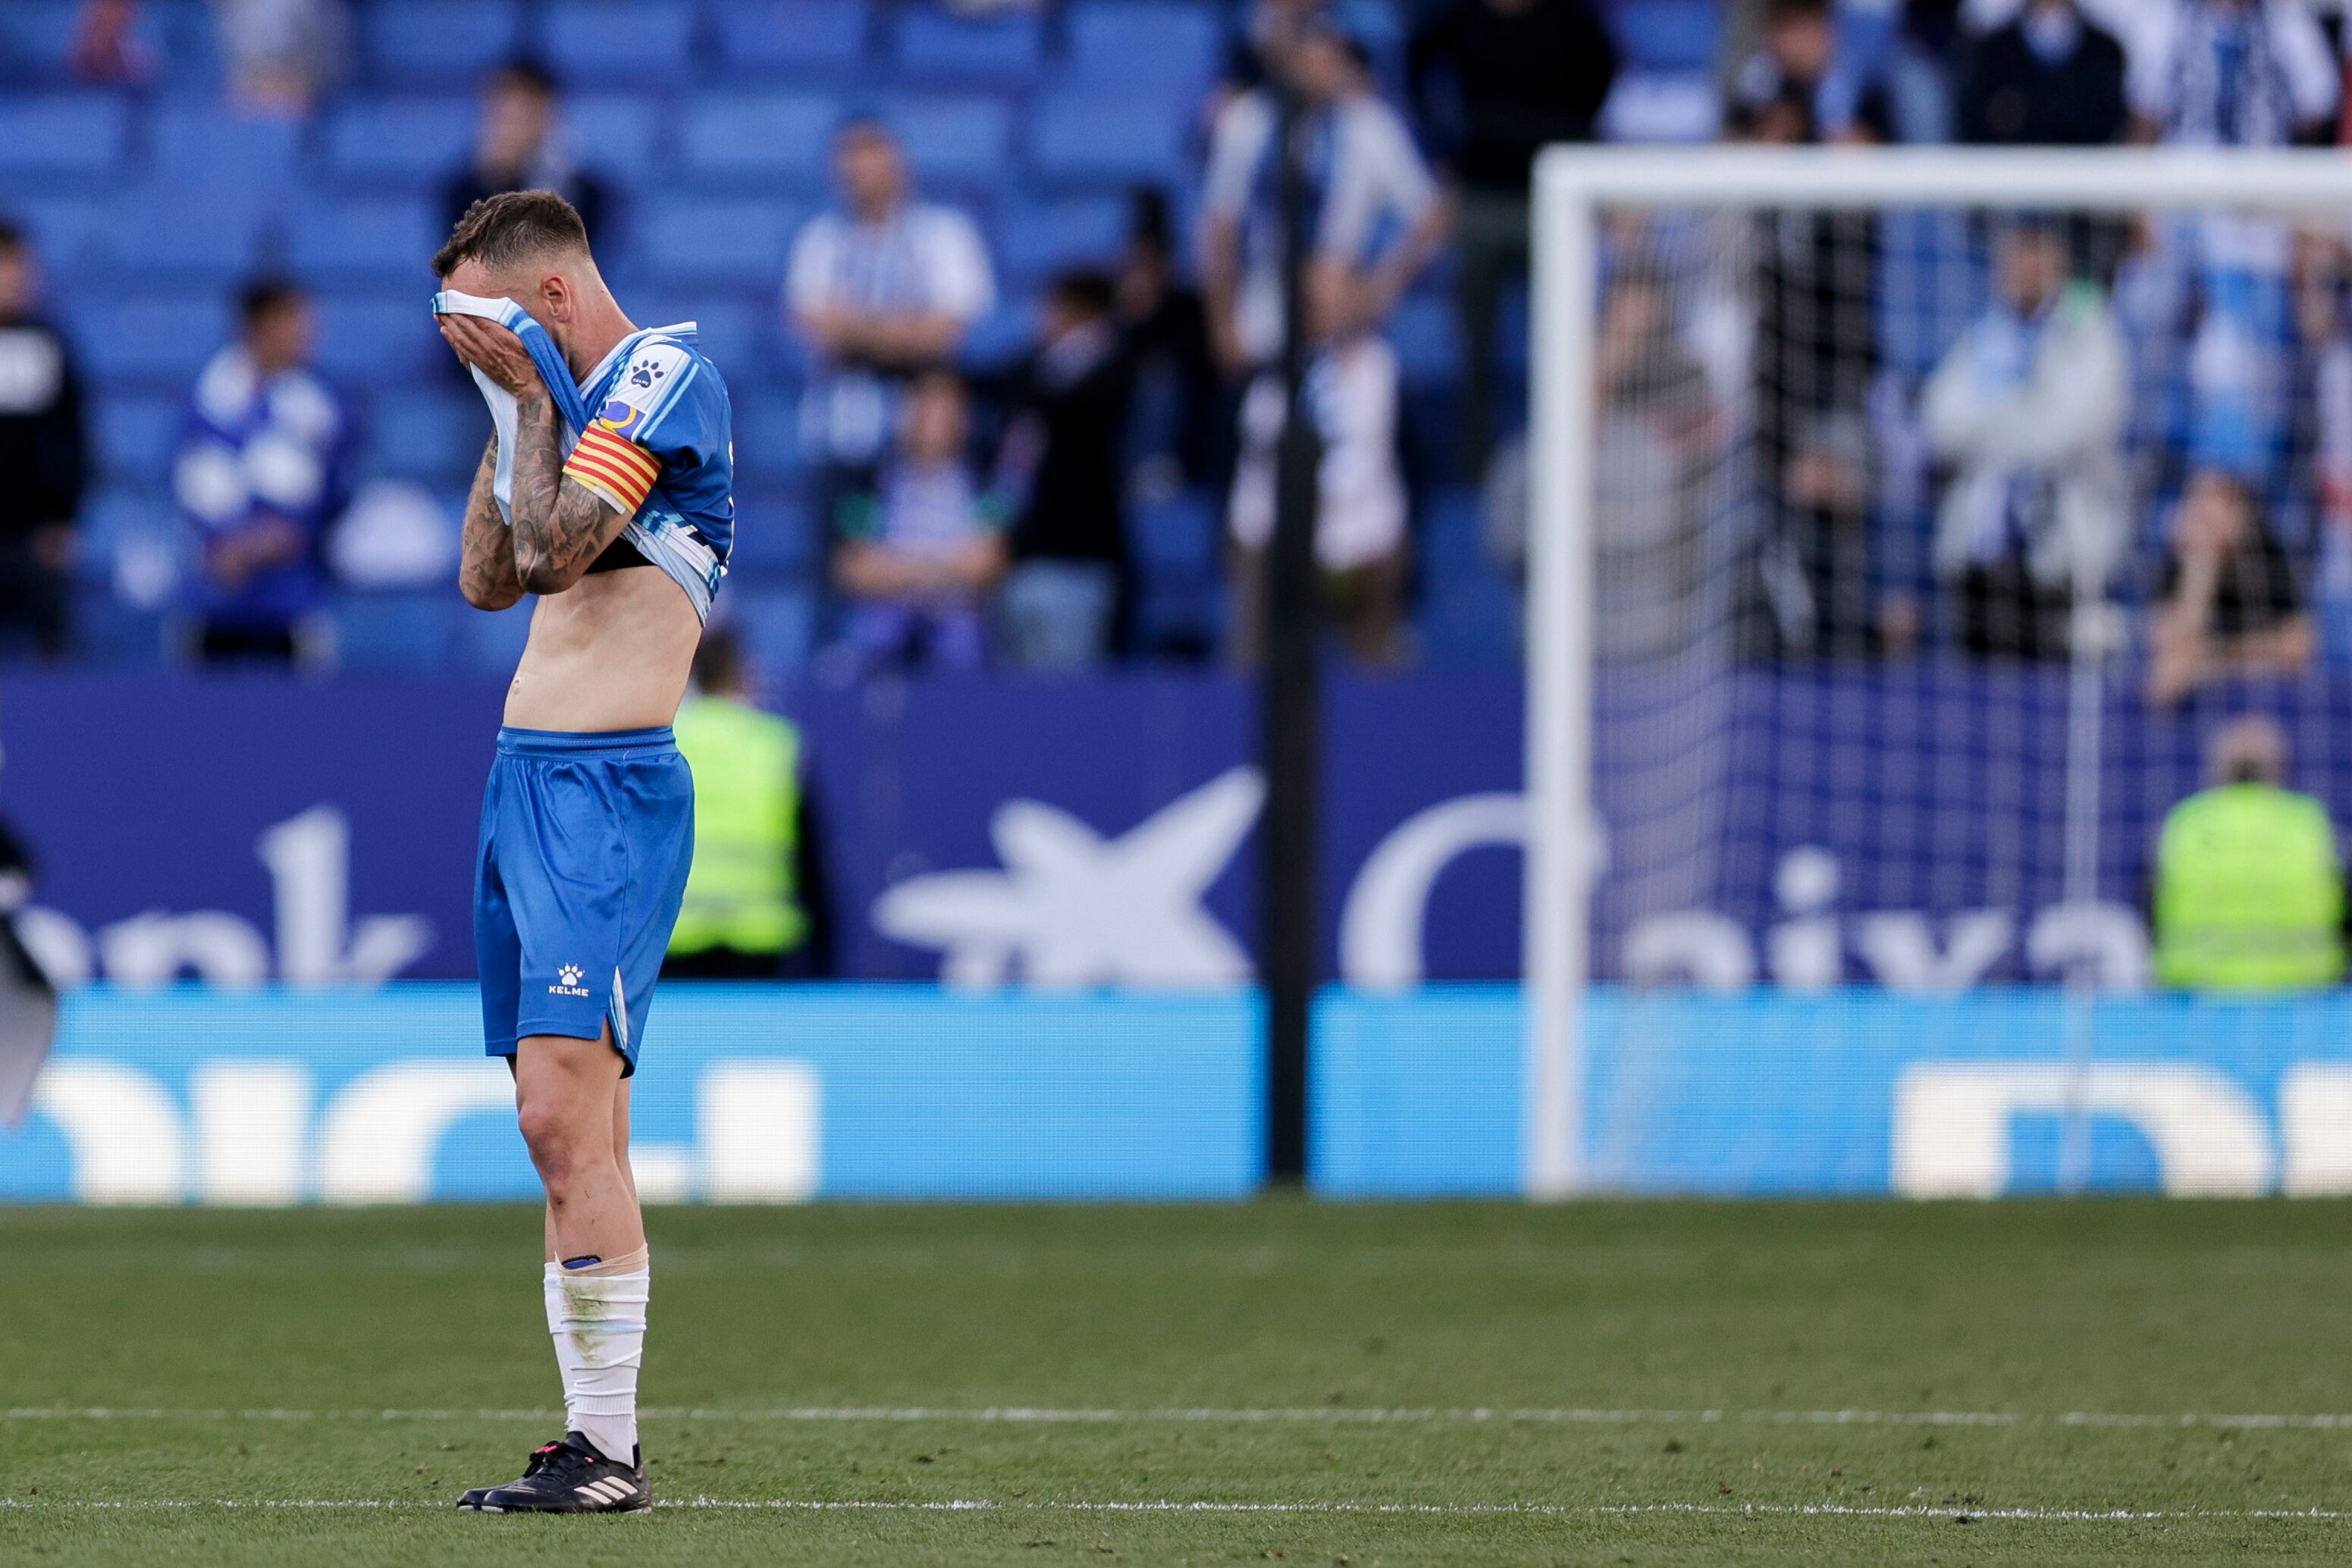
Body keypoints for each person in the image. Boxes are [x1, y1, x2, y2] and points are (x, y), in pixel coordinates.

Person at [431, 189, 735, 1514]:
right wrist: (507, 412)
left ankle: (606, 1451)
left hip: (603, 793)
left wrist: (535, 405)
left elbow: (556, 552)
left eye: (488, 324)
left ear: (547, 298)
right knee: (563, 1127)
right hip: (524, 784)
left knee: (563, 1112)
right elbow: (487, 580)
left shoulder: (666, 374)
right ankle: (592, 1442)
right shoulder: (554, 403)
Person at [1204, 24, 1447, 667]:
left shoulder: (1369, 128)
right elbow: (1221, 224)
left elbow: (1429, 215)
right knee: (1255, 478)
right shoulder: (1251, 122)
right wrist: (1221, 318)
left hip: (1343, 325)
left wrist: (1378, 286)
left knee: (1368, 457)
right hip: (1263, 331)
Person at [1407, 0, 1616, 478]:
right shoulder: (1460, 17)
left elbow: (1602, 71)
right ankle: (1475, 473)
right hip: (1481, 195)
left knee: (1563, 345)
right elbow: (1418, 63)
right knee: (1474, 349)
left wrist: (1571, 135)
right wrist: (1444, 145)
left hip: (1554, 200)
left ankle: (1560, 465)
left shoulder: (1572, 17)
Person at [1921, 218, 2128, 658]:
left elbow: (2068, 431)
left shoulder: (2088, 325)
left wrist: (1992, 426)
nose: (2021, 265)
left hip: (2060, 559)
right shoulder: (1987, 332)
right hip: (1981, 560)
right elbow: (1940, 420)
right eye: (2014, 253)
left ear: (2059, 259)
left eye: (2034, 252)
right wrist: (2026, 413)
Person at [786, 119, 996, 541]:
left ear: (899, 168)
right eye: (851, 171)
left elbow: (948, 330)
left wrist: (856, 328)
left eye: (872, 168)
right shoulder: (821, 239)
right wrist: (905, 328)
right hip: (842, 434)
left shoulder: (944, 235)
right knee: (841, 560)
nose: (861, 181)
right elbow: (813, 326)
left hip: (927, 435)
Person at [173, 278, 354, 666]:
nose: (305, 333)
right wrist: (227, 547)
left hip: (294, 600)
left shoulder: (322, 405)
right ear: (256, 327)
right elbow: (188, 486)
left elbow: (334, 496)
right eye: (291, 322)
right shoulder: (207, 400)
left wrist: (285, 538)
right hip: (214, 599)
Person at [663, 629, 833, 980]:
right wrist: (826, 957)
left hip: (673, 935)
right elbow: (813, 861)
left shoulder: (663, 742)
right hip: (761, 942)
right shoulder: (777, 744)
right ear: (742, 675)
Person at [991, 270, 1135, 673]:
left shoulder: (1115, 369)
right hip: (1020, 564)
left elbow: (1074, 411)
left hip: (1077, 565)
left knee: (1064, 706)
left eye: (1055, 307)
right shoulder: (1033, 371)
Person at [829, 368, 1008, 673]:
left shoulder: (983, 485)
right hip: (882, 637)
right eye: (924, 405)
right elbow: (854, 569)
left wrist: (898, 568)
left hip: (958, 640)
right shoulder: (870, 484)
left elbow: (986, 565)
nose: (934, 419)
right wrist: (942, 570)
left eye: (946, 407)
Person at [2153, 714, 2344, 991]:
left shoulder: (2186, 824)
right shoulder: (2310, 823)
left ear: (2218, 770)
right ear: (2279, 769)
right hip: (2305, 997)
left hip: (2199, 999)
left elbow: (2152, 908)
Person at [2147, 466, 2313, 707]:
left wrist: (2207, 661)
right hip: (2199, 703)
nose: (2201, 520)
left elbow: (2297, 647)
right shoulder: (2181, 561)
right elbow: (2166, 644)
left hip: (2261, 698)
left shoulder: (2267, 556)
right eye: (2196, 509)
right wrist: (2200, 570)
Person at [0, 222, 89, 660]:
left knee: (52, 643)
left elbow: (74, 438)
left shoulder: (48, 344)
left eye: (21, 265)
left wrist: (64, 518)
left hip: (32, 534)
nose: (16, 278)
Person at [441, 60, 615, 255]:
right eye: (501, 115)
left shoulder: (586, 192)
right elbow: (468, 261)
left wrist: (551, 177)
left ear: (547, 116)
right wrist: (494, 181)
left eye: (520, 116)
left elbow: (564, 259)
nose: (508, 129)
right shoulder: (462, 191)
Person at [1957, 0, 2130, 146]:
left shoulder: (2105, 51)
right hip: (2010, 177)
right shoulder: (1993, 51)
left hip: (2087, 179)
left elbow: (2106, 125)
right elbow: (1979, 126)